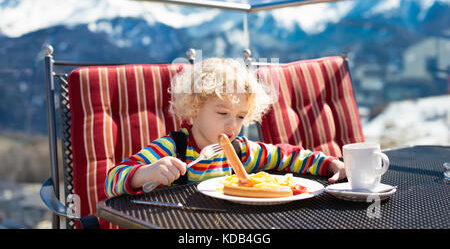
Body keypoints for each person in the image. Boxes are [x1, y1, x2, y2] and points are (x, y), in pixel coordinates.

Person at [105, 58, 346, 197]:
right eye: (222, 113)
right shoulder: (173, 148)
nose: (232, 124)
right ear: (194, 109)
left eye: (241, 116)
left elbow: (287, 156)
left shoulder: (240, 151)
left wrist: (330, 163)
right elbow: (111, 181)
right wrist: (145, 173)